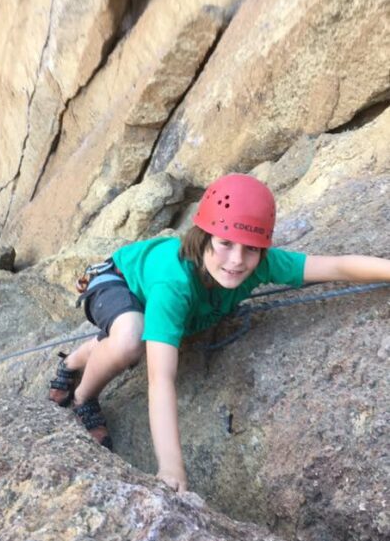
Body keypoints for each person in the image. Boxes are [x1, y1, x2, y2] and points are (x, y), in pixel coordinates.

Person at [49, 173, 390, 492]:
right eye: (225, 243)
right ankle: (83, 397)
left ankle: (76, 360)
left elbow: (334, 266)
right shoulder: (175, 284)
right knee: (129, 339)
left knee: (135, 328)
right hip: (116, 280)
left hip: (143, 300)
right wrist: (171, 467)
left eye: (250, 248)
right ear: (205, 236)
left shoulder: (260, 263)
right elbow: (161, 379)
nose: (237, 261)